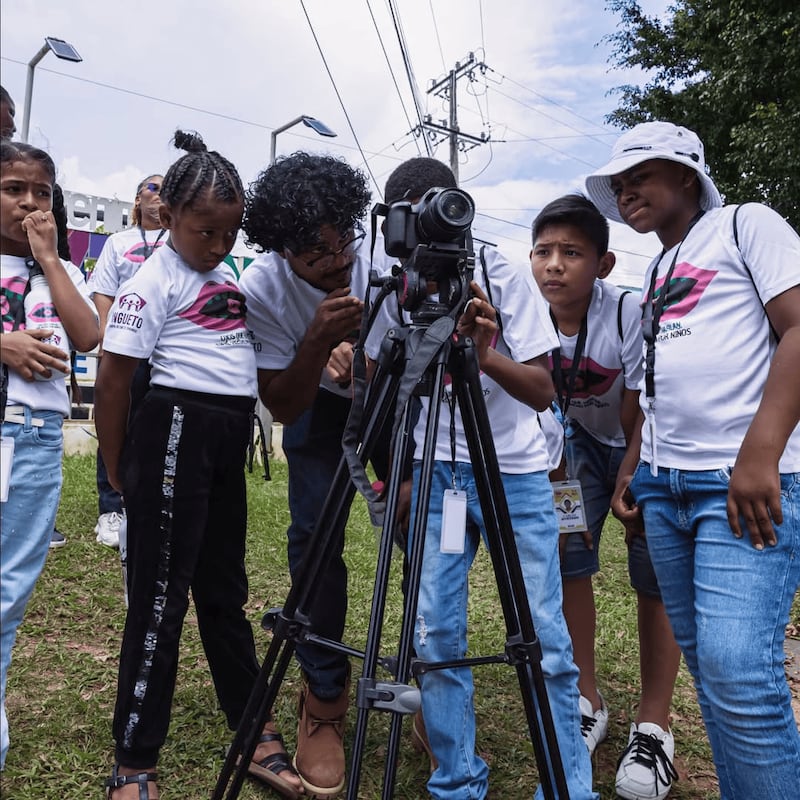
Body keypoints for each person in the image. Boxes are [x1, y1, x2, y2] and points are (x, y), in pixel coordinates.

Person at [584, 121, 800, 798]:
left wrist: (760, 452)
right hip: (665, 487)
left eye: (639, 177)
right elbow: (657, 383)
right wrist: (634, 471)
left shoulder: (746, 225)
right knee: (712, 670)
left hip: (742, 486)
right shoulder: (657, 267)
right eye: (617, 186)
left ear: (687, 175)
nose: (625, 193)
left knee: (740, 670)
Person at [379, 157, 597, 799]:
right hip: (439, 475)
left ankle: (567, 787)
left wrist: (484, 354)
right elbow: (380, 381)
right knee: (436, 629)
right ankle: (456, 779)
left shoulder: (498, 271)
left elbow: (538, 391)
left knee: (544, 638)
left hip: (516, 477)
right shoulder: (395, 284)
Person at [95, 130, 303, 800]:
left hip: (226, 435)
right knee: (160, 599)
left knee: (225, 593)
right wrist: (114, 459)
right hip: (173, 428)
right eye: (204, 231)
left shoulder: (231, 275)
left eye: (229, 232)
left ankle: (252, 731)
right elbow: (115, 378)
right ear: (168, 217)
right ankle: (134, 760)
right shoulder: (151, 279)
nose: (217, 245)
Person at [239, 151, 397, 797]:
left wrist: (373, 370)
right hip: (312, 409)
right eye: (314, 251)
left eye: (344, 238)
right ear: (281, 250)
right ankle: (324, 697)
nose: (336, 259)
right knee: (314, 543)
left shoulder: (387, 254)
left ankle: (433, 686)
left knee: (418, 527)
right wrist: (315, 340)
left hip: (397, 401)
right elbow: (282, 402)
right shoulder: (262, 289)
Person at [531, 193, 681, 800]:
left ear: (605, 263)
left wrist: (629, 473)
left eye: (572, 252)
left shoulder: (627, 312)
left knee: (653, 567)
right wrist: (565, 482)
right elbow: (541, 407)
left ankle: (654, 722)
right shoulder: (524, 313)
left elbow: (642, 403)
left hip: (640, 440)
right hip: (572, 446)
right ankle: (587, 701)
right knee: (570, 555)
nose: (554, 266)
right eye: (543, 251)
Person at [0, 140, 99, 769]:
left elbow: (89, 333)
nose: (30, 203)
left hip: (35, 441)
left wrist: (49, 256)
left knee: (9, 592)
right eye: (14, 189)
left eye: (42, 192)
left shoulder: (58, 269)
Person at [88, 173, 166, 548]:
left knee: (160, 428)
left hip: (168, 355)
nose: (160, 193)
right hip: (125, 351)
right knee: (115, 425)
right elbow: (103, 291)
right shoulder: (118, 243)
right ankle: (110, 509)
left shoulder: (180, 243)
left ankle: (150, 503)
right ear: (137, 200)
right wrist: (107, 338)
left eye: (168, 189)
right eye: (153, 187)